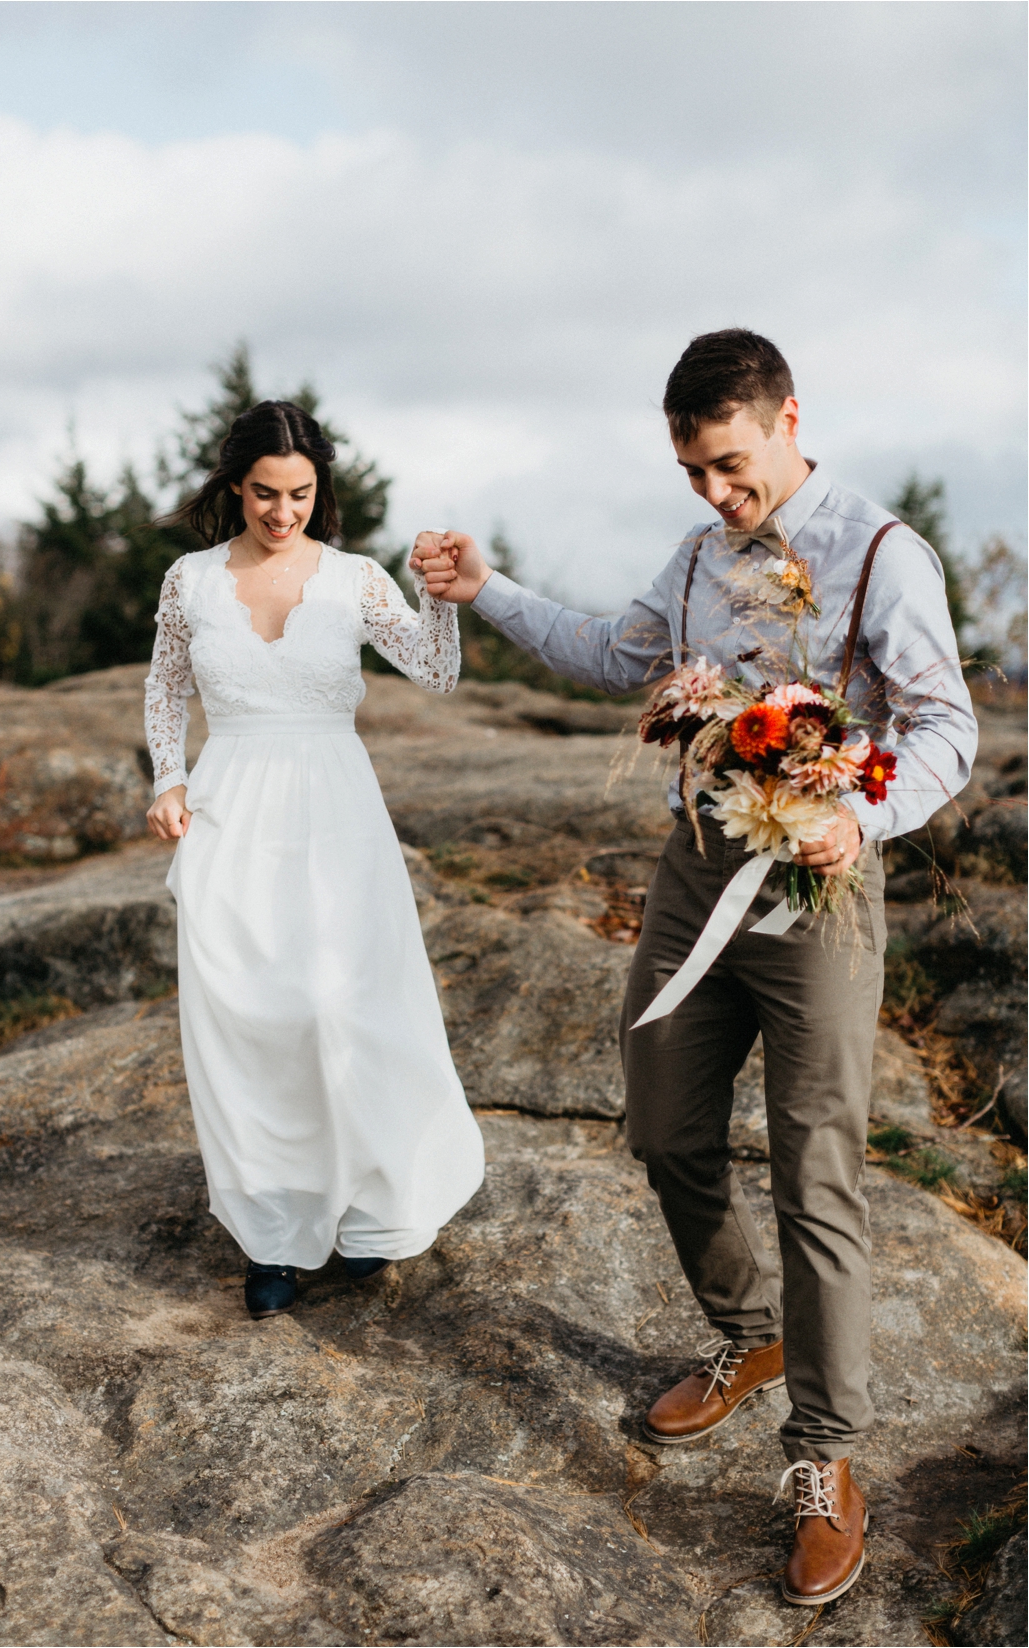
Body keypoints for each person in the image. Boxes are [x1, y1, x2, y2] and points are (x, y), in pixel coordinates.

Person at [409, 329, 977, 1607]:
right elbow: (615, 655)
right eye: (694, 476)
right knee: (661, 1119)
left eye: (729, 467)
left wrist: (859, 814)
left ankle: (826, 1458)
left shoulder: (883, 553)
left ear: (785, 418)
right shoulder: (692, 558)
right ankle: (745, 1331)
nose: (717, 497)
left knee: (812, 1167)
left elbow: (946, 724)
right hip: (693, 870)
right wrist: (486, 591)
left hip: (818, 886)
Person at [144, 399, 484, 1322]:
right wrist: (168, 779)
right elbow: (166, 686)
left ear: (317, 490)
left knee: (342, 1008)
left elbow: (436, 671)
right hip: (230, 807)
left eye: (299, 493)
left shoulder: (352, 578)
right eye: (263, 493)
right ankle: (275, 1237)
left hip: (334, 806)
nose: (282, 512)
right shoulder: (189, 580)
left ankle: (373, 1211)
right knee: (250, 1020)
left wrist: (439, 603)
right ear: (234, 486)